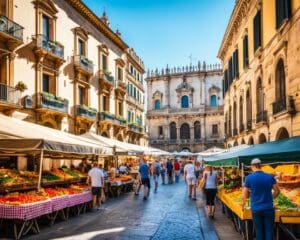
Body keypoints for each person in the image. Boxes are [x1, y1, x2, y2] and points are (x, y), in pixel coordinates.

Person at [243, 158, 280, 240]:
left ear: (252, 166)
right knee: (269, 231)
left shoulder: (249, 178)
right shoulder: (270, 177)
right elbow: (277, 191)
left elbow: (245, 193)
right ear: (261, 166)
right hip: (268, 208)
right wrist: (271, 198)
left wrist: (246, 201)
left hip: (256, 208)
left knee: (259, 231)